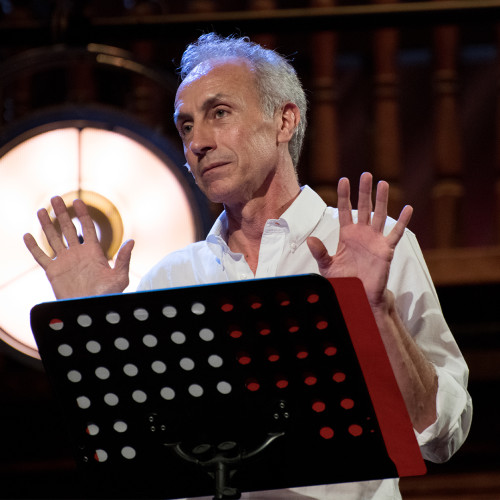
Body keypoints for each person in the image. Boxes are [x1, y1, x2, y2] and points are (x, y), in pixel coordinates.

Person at [24, 33, 472, 500]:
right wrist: (91, 318)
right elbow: (128, 457)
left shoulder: (374, 250)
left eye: (219, 114)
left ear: (284, 120)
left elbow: (441, 434)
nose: (197, 142)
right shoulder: (172, 279)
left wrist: (376, 311)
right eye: (185, 126)